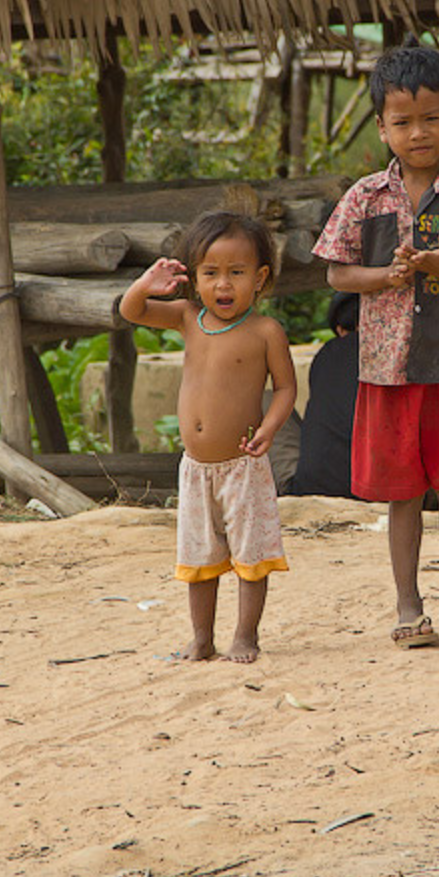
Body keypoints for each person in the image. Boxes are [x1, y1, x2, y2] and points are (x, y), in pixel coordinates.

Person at [313, 39, 439, 649]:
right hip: (387, 372)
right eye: (403, 122)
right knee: (403, 494)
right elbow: (336, 274)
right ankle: (408, 606)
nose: (419, 133)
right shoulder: (363, 198)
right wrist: (388, 277)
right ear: (382, 127)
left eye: (432, 118)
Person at [120, 211, 298, 663]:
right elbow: (131, 310)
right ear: (193, 279)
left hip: (244, 465)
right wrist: (147, 282)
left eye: (236, 273)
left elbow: (286, 389)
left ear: (259, 278)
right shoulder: (186, 319)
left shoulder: (265, 332)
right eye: (211, 274)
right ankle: (202, 638)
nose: (223, 285)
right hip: (196, 469)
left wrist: (270, 427)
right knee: (199, 557)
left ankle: (245, 635)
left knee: (250, 555)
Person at [285, 291, 359, 498]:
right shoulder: (401, 355)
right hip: (390, 488)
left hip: (314, 487)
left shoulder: (328, 353)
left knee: (266, 401)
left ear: (339, 329)